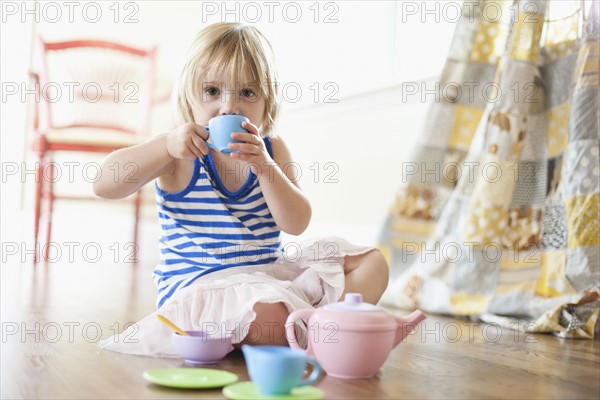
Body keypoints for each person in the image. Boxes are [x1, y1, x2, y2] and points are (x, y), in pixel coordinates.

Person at [94, 22, 388, 350]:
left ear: (267, 104)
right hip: (203, 289)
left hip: (267, 275)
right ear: (189, 100)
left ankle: (314, 328)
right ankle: (315, 329)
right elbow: (105, 185)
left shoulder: (272, 149)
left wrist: (265, 167)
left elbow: (296, 223)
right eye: (212, 91)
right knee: (270, 316)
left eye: (247, 93)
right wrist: (163, 146)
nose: (230, 106)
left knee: (373, 262)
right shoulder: (177, 153)